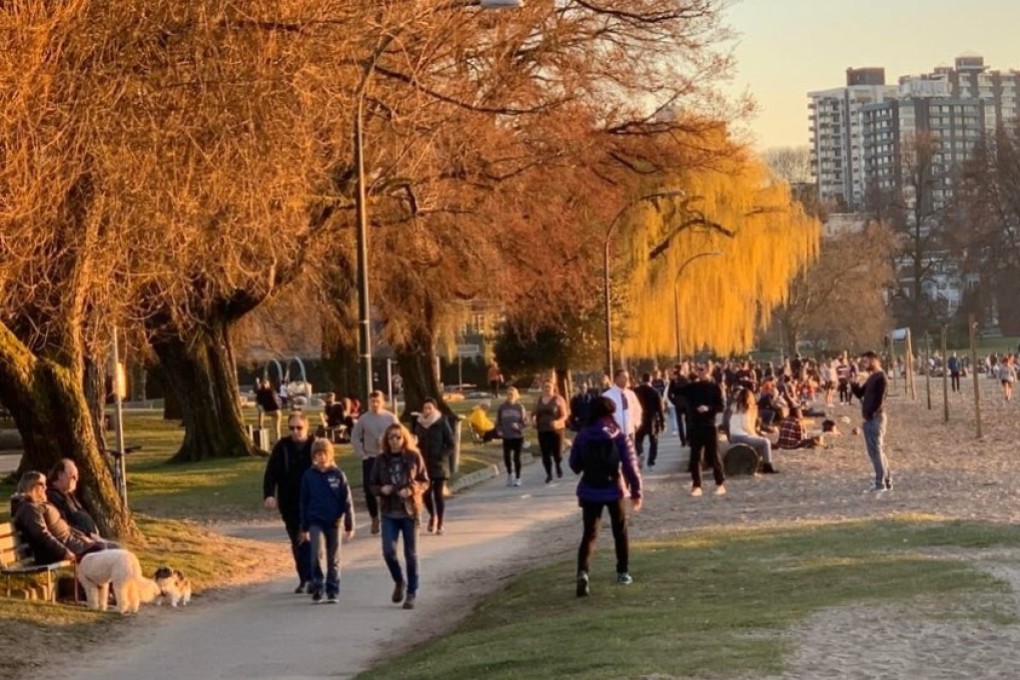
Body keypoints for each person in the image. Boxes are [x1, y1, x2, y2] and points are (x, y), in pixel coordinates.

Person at [569, 397, 642, 597]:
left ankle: (583, 572)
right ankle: (623, 572)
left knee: (590, 534)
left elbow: (574, 465)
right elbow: (631, 465)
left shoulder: (583, 435)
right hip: (614, 488)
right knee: (620, 531)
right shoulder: (617, 434)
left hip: (589, 488)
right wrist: (636, 491)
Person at [367, 423, 430, 610]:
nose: (394, 440)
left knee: (411, 554)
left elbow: (424, 481)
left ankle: (411, 592)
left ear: (404, 438)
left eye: (398, 437)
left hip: (409, 511)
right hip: (389, 512)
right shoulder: (380, 460)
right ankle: (398, 580)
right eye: (391, 437)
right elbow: (371, 485)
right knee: (388, 551)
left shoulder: (413, 457)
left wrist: (411, 489)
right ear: (386, 440)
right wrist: (381, 489)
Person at [262, 412, 315, 593]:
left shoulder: (315, 445)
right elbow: (271, 473)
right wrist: (269, 494)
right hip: (289, 501)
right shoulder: (282, 447)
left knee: (309, 539)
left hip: (313, 501)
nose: (295, 431)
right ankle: (305, 577)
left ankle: (313, 577)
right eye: (291, 428)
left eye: (299, 428)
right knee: (297, 540)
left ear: (306, 428)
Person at [299, 438, 354, 604]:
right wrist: (304, 527)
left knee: (333, 557)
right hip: (316, 521)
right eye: (317, 454)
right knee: (316, 553)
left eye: (324, 454)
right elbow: (304, 501)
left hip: (334, 522)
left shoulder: (338, 475)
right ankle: (317, 586)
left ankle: (333, 589)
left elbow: (347, 501)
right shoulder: (309, 476)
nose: (321, 458)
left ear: (330, 455)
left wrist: (349, 524)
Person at [12, 471, 107, 565]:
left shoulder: (36, 505)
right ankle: (85, 580)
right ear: (30, 485)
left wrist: (85, 537)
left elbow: (64, 527)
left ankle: (88, 579)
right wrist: (64, 552)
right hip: (55, 552)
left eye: (45, 484)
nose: (45, 487)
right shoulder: (29, 509)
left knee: (106, 548)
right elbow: (42, 535)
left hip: (71, 543)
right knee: (102, 550)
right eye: (41, 484)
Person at [350, 391, 399, 535]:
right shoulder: (363, 420)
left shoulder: (390, 417)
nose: (375, 404)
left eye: (378, 401)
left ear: (383, 402)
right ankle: (374, 518)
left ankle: (387, 517)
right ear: (369, 402)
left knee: (387, 488)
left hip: (387, 458)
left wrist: (393, 449)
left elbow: (399, 434)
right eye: (372, 402)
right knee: (369, 489)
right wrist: (362, 454)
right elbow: (355, 438)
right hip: (370, 458)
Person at [678, 363, 726, 496]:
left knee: (713, 456)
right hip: (695, 424)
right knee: (695, 456)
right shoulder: (692, 387)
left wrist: (708, 408)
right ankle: (696, 485)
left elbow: (721, 406)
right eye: (697, 370)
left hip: (710, 424)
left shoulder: (715, 387)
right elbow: (676, 392)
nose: (699, 372)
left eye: (702, 369)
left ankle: (720, 483)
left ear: (708, 371)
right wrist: (677, 376)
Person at [413, 399, 455, 534]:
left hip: (439, 464)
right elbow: (413, 441)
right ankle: (432, 516)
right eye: (425, 408)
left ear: (435, 409)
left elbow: (451, 444)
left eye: (430, 408)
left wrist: (442, 455)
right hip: (423, 464)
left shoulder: (441, 421)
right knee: (426, 493)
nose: (427, 411)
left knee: (438, 494)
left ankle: (440, 523)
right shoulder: (418, 423)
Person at [851, 350, 891, 492]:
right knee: (878, 451)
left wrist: (871, 413)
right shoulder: (872, 377)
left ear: (874, 360)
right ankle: (886, 479)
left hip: (876, 418)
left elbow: (880, 399)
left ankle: (880, 483)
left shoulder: (881, 377)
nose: (864, 364)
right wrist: (854, 382)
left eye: (866, 361)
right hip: (871, 419)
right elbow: (860, 393)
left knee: (876, 452)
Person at [46, 459, 102, 539]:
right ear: (60, 475)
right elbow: (64, 525)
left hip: (90, 539)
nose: (76, 479)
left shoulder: (69, 495)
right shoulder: (52, 497)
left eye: (77, 476)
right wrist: (87, 534)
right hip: (79, 542)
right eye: (73, 476)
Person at [728, 389, 778, 474]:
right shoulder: (745, 408)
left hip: (733, 436)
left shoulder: (734, 406)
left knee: (759, 442)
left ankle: (759, 463)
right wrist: (755, 434)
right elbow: (746, 426)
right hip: (741, 436)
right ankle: (767, 465)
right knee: (766, 442)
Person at [532, 379, 569, 484]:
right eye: (545, 387)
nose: (547, 389)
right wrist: (533, 421)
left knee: (557, 453)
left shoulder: (558, 399)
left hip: (556, 430)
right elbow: (532, 413)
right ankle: (549, 474)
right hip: (542, 430)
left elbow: (565, 415)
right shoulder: (539, 400)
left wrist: (558, 421)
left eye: (549, 387)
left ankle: (558, 464)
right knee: (545, 454)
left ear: (553, 388)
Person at [496, 386, 528, 487]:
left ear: (516, 396)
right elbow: (498, 422)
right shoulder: (502, 407)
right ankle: (510, 474)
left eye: (512, 394)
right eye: (508, 394)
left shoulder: (520, 407)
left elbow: (525, 422)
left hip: (517, 436)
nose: (510, 396)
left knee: (516, 458)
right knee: (507, 457)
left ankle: (518, 478)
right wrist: (499, 430)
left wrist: (518, 426)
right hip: (506, 436)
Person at [633, 372, 666, 468]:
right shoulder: (655, 392)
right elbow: (660, 409)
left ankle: (640, 452)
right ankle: (651, 461)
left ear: (642, 380)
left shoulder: (636, 391)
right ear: (650, 380)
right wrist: (663, 422)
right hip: (652, 420)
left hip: (639, 419)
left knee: (638, 440)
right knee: (654, 441)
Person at [602, 369, 642, 442]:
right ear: (617, 378)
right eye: (624, 377)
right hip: (614, 433)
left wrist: (636, 423)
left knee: (629, 453)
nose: (626, 380)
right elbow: (602, 415)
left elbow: (638, 409)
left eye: (627, 377)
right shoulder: (607, 395)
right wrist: (608, 430)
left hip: (630, 432)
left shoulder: (631, 394)